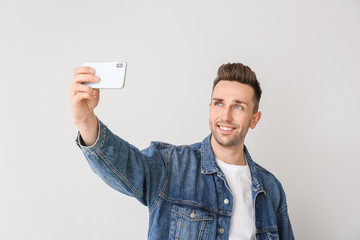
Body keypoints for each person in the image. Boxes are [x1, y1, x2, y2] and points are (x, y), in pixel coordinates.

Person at [69, 63, 294, 240]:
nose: (225, 116)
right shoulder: (171, 166)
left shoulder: (270, 189)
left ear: (254, 119)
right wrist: (85, 120)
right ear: (209, 110)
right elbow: (122, 164)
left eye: (238, 106)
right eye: (218, 103)